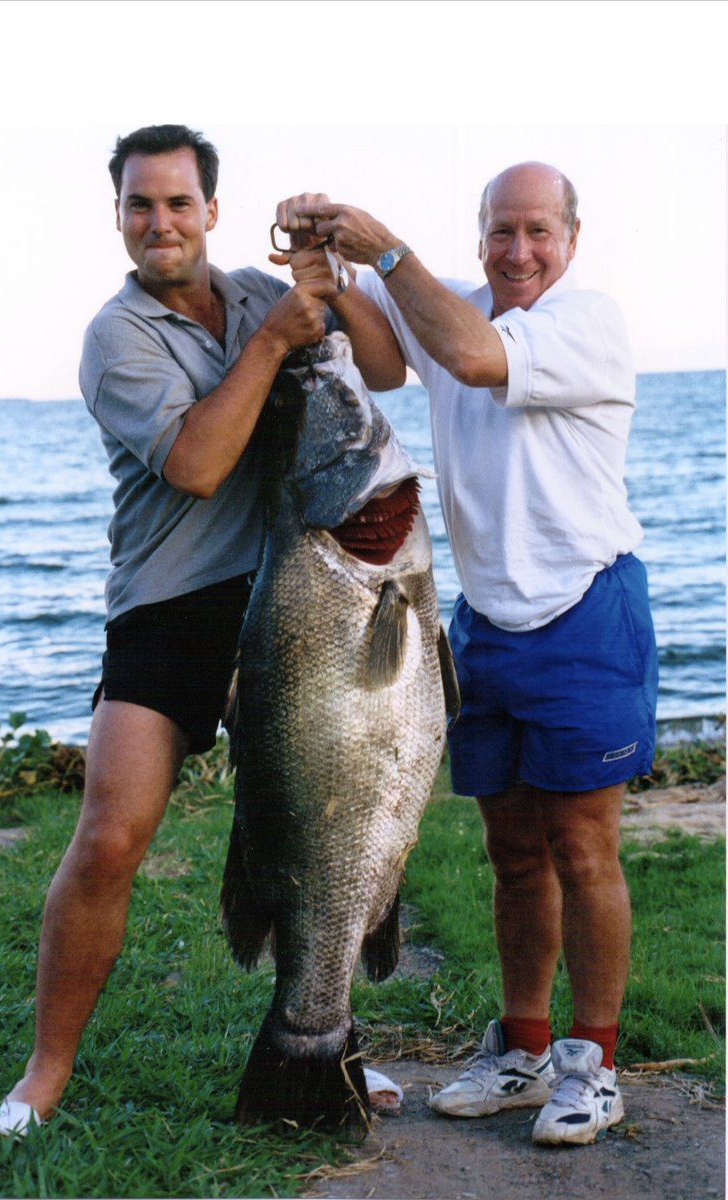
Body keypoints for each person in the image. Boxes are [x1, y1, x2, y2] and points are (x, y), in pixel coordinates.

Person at [0, 124, 405, 1137]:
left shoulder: (259, 292)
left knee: (330, 827)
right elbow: (198, 466)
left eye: (176, 202)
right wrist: (273, 341)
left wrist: (329, 273)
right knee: (110, 836)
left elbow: (382, 371)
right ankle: (42, 1077)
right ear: (118, 215)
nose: (158, 222)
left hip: (298, 594)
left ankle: (329, 1039)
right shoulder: (115, 337)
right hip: (170, 605)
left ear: (211, 209)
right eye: (140, 204)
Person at [275, 162, 658, 1146]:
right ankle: (522, 1048)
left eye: (536, 231)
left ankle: (594, 1064)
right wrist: (328, 268)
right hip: (483, 622)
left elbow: (473, 356)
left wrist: (382, 251)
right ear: (479, 232)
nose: (516, 251)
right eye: (499, 230)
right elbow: (386, 361)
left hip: (584, 610)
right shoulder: (452, 304)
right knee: (513, 854)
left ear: (570, 237)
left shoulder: (585, 322)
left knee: (583, 849)